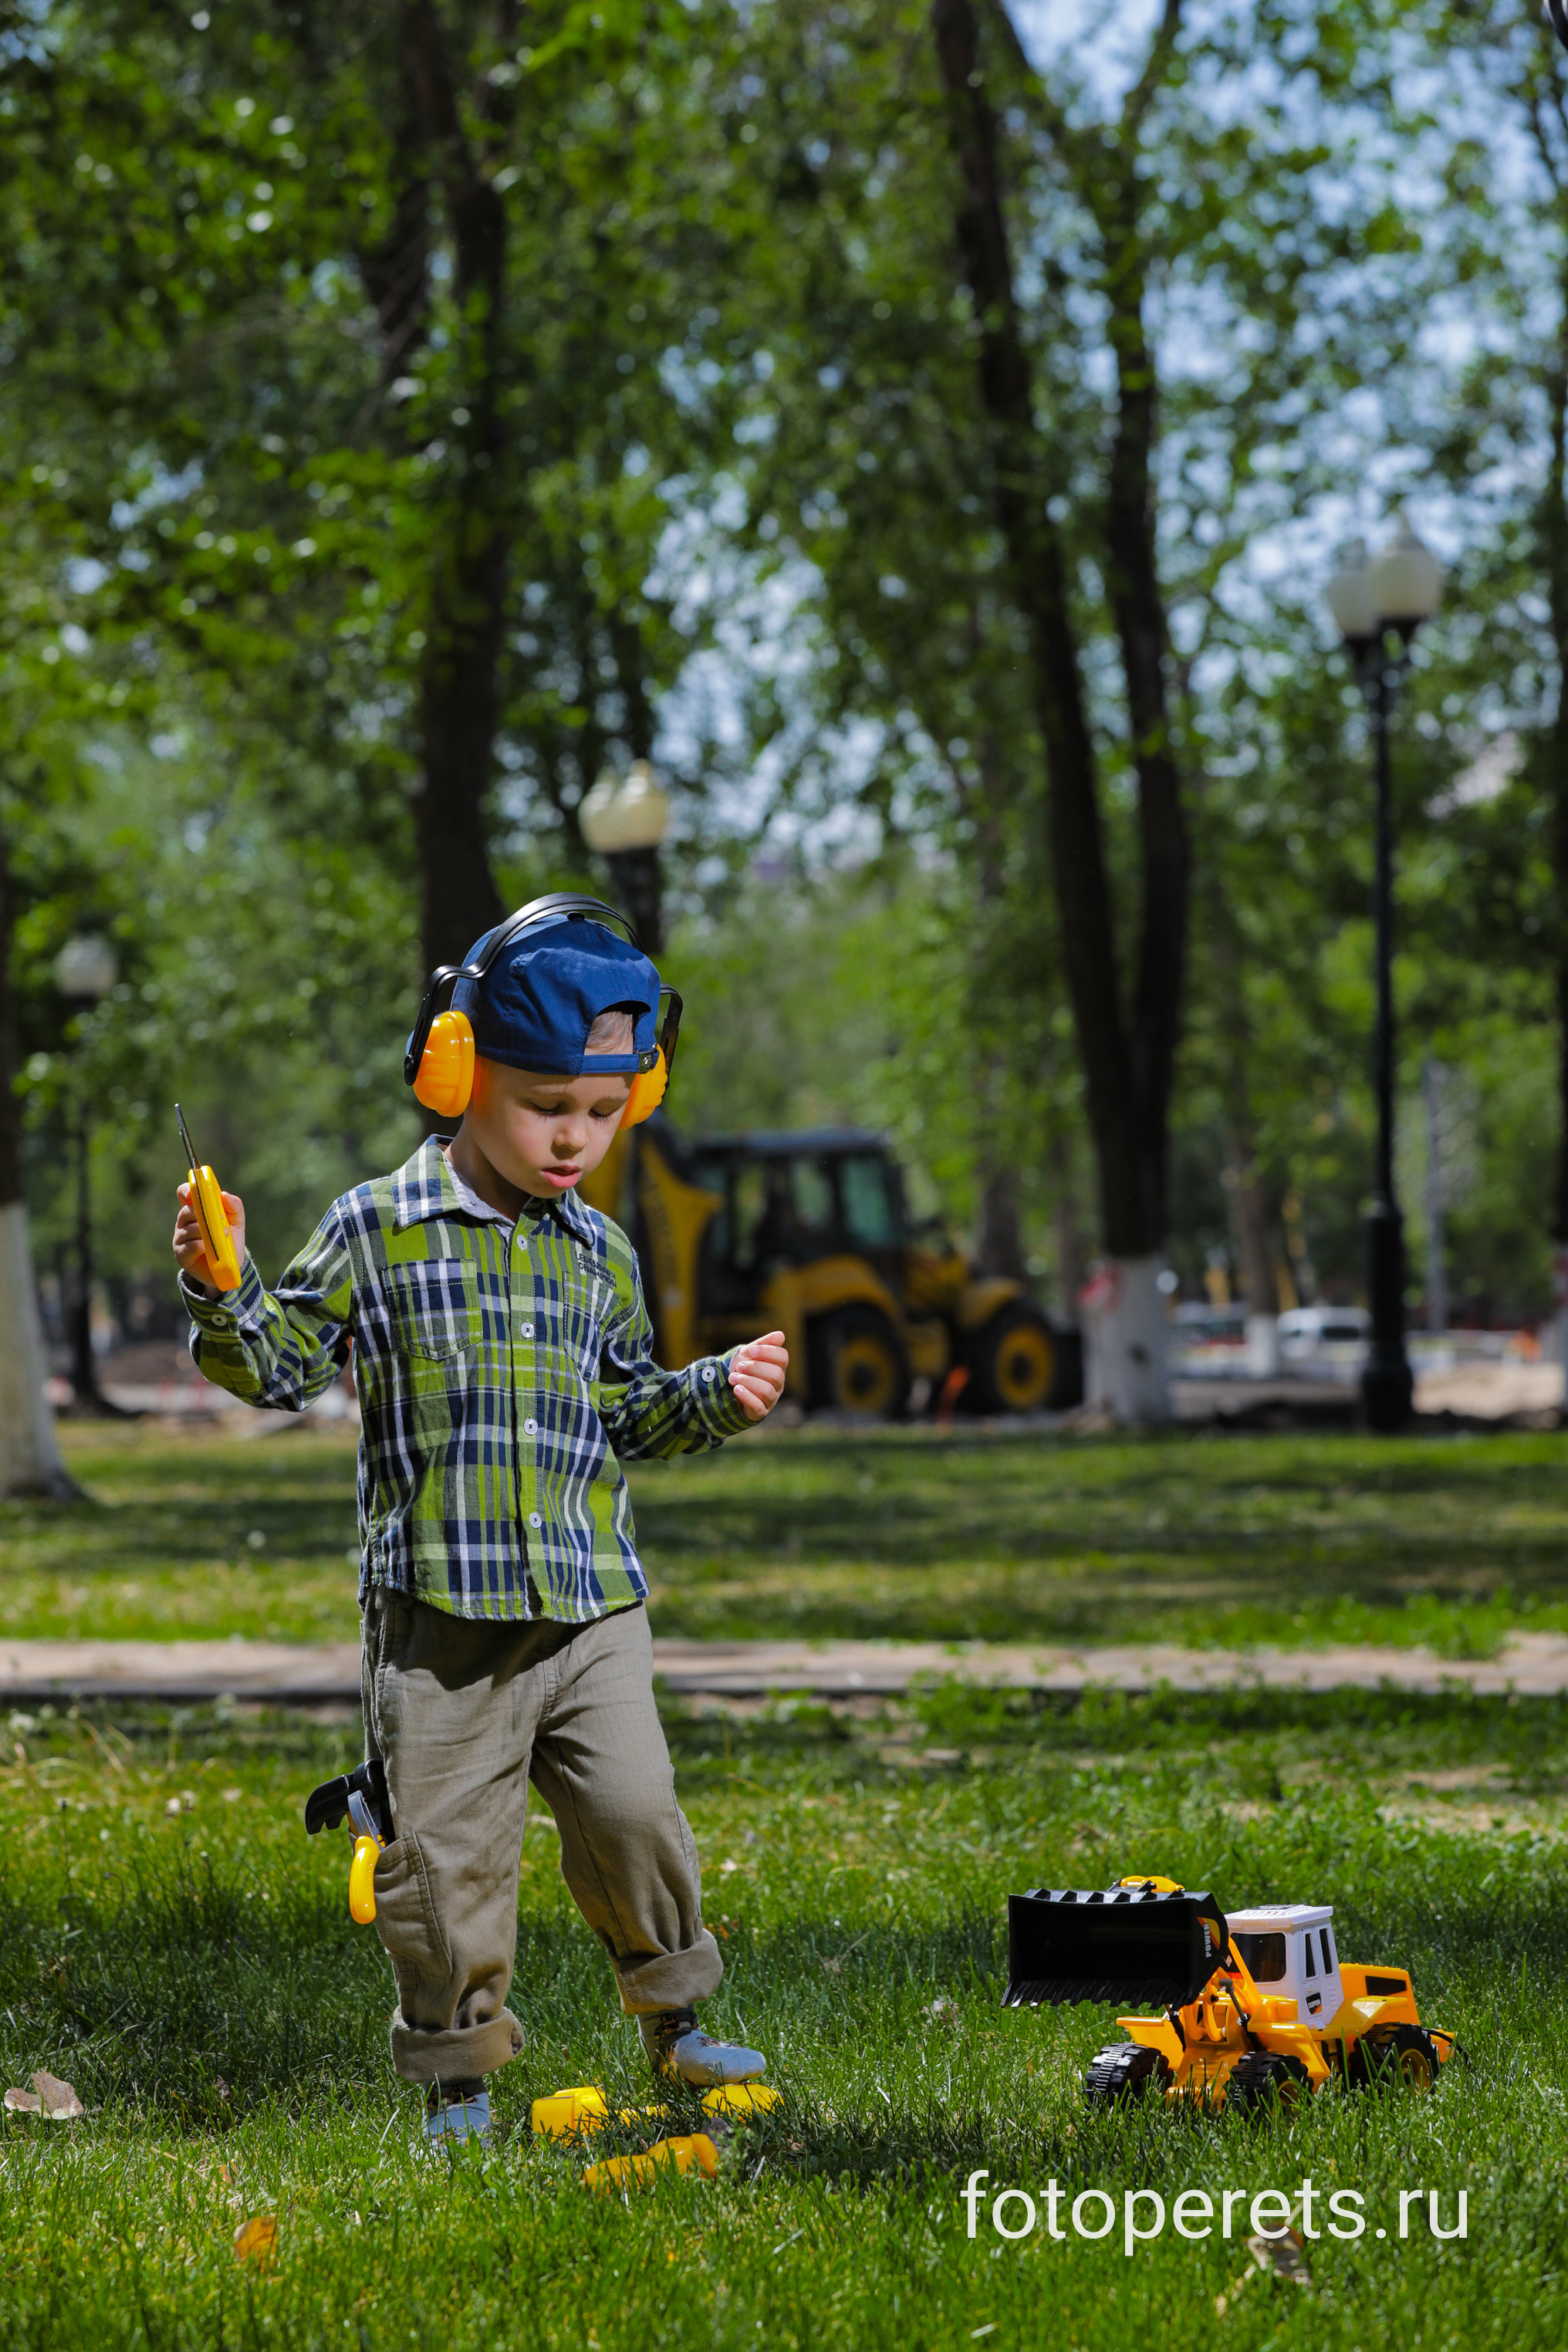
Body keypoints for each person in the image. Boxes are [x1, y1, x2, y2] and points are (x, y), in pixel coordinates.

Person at [172, 910, 788, 2145]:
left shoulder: (600, 1253)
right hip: (440, 1624)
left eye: (607, 1113)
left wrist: (710, 1397)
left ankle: (676, 2022)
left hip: (589, 1609)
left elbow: (624, 1412)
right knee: (447, 1869)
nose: (577, 1138)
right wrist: (224, 1291)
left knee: (636, 1814)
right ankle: (461, 2078)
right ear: (457, 1076)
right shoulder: (375, 1226)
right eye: (547, 1105)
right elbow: (283, 1366)